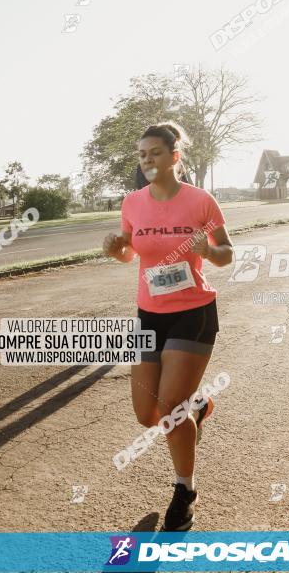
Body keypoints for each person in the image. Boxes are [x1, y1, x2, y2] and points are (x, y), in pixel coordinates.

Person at [103, 122, 233, 532]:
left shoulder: (200, 201)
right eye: (142, 155)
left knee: (171, 411)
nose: (147, 161)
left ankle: (185, 493)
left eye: (155, 153)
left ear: (175, 156)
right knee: (148, 413)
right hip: (149, 313)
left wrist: (207, 250)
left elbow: (226, 254)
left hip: (193, 311)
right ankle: (198, 408)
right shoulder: (132, 203)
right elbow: (129, 252)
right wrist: (117, 249)